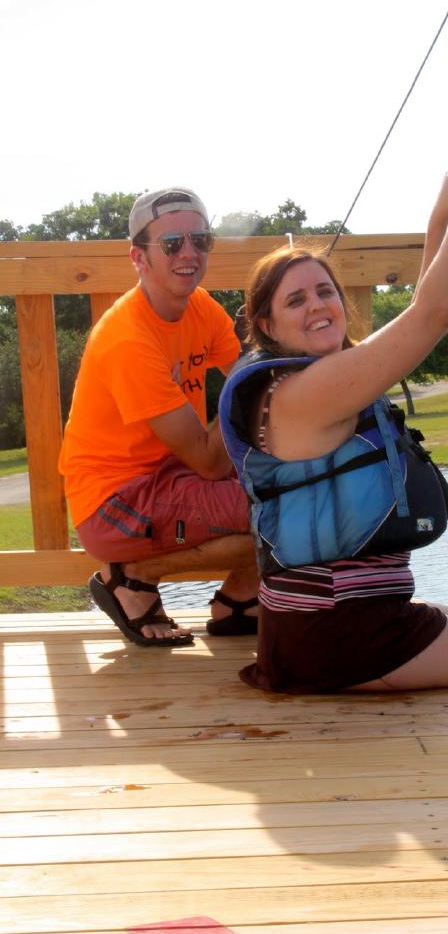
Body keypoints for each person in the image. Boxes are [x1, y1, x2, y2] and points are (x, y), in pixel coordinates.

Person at [218, 154, 448, 934]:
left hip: (340, 619)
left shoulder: (313, 378)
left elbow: (422, 291)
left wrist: (447, 200)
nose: (318, 306)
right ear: (266, 325)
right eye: (295, 300)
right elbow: (435, 310)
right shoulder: (305, 392)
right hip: (338, 632)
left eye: (324, 291)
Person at [59, 187, 259, 647]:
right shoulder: (128, 338)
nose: (189, 253)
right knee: (276, 511)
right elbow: (211, 459)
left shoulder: (202, 307)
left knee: (296, 486)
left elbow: (247, 374)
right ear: (139, 257)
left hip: (172, 474)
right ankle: (132, 576)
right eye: (171, 244)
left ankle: (239, 600)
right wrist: (255, 377)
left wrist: (269, 363)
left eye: (200, 240)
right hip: (115, 500)